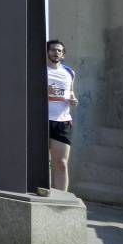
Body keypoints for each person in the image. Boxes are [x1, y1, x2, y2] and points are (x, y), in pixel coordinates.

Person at [47, 39, 77, 191]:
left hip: (63, 121)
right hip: (42, 120)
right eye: (52, 50)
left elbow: (70, 92)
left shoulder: (69, 72)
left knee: (62, 163)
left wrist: (73, 99)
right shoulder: (40, 71)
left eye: (59, 50)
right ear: (47, 52)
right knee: (41, 164)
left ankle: (62, 198)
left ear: (63, 55)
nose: (56, 52)